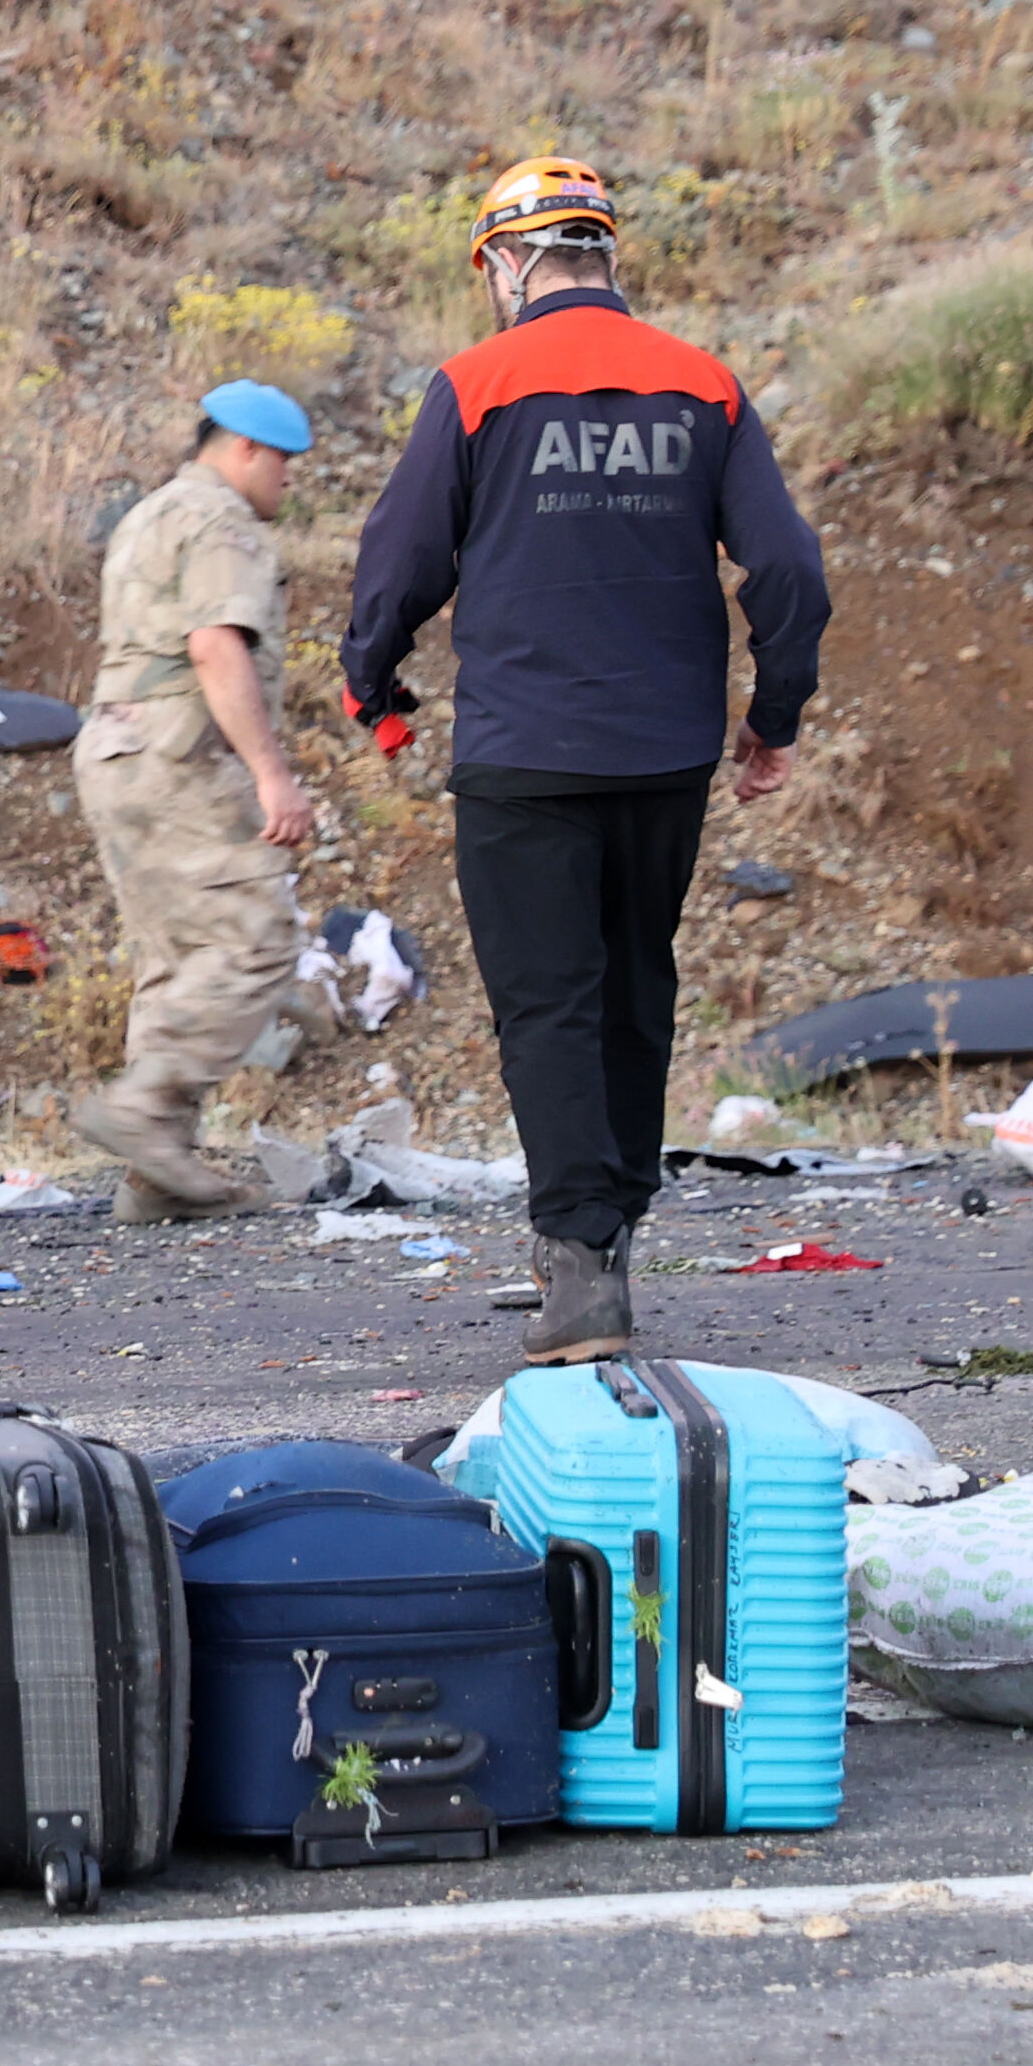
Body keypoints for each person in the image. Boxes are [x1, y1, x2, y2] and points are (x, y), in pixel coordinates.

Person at [341, 157, 830, 1368]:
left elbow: (400, 562)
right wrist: (775, 715)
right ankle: (614, 1228)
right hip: (665, 752)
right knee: (633, 988)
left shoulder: (475, 383)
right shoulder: (704, 384)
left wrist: (372, 679)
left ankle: (580, 1264)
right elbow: (786, 569)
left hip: (524, 752)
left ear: (508, 263)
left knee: (548, 1003)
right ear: (604, 254)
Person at [65, 382, 324, 1222]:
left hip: (115, 748)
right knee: (258, 938)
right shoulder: (221, 521)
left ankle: (160, 1177)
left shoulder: (150, 513)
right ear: (245, 448)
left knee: (177, 953)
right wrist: (271, 774)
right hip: (179, 753)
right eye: (283, 461)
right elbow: (215, 647)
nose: (289, 478)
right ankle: (147, 1107)